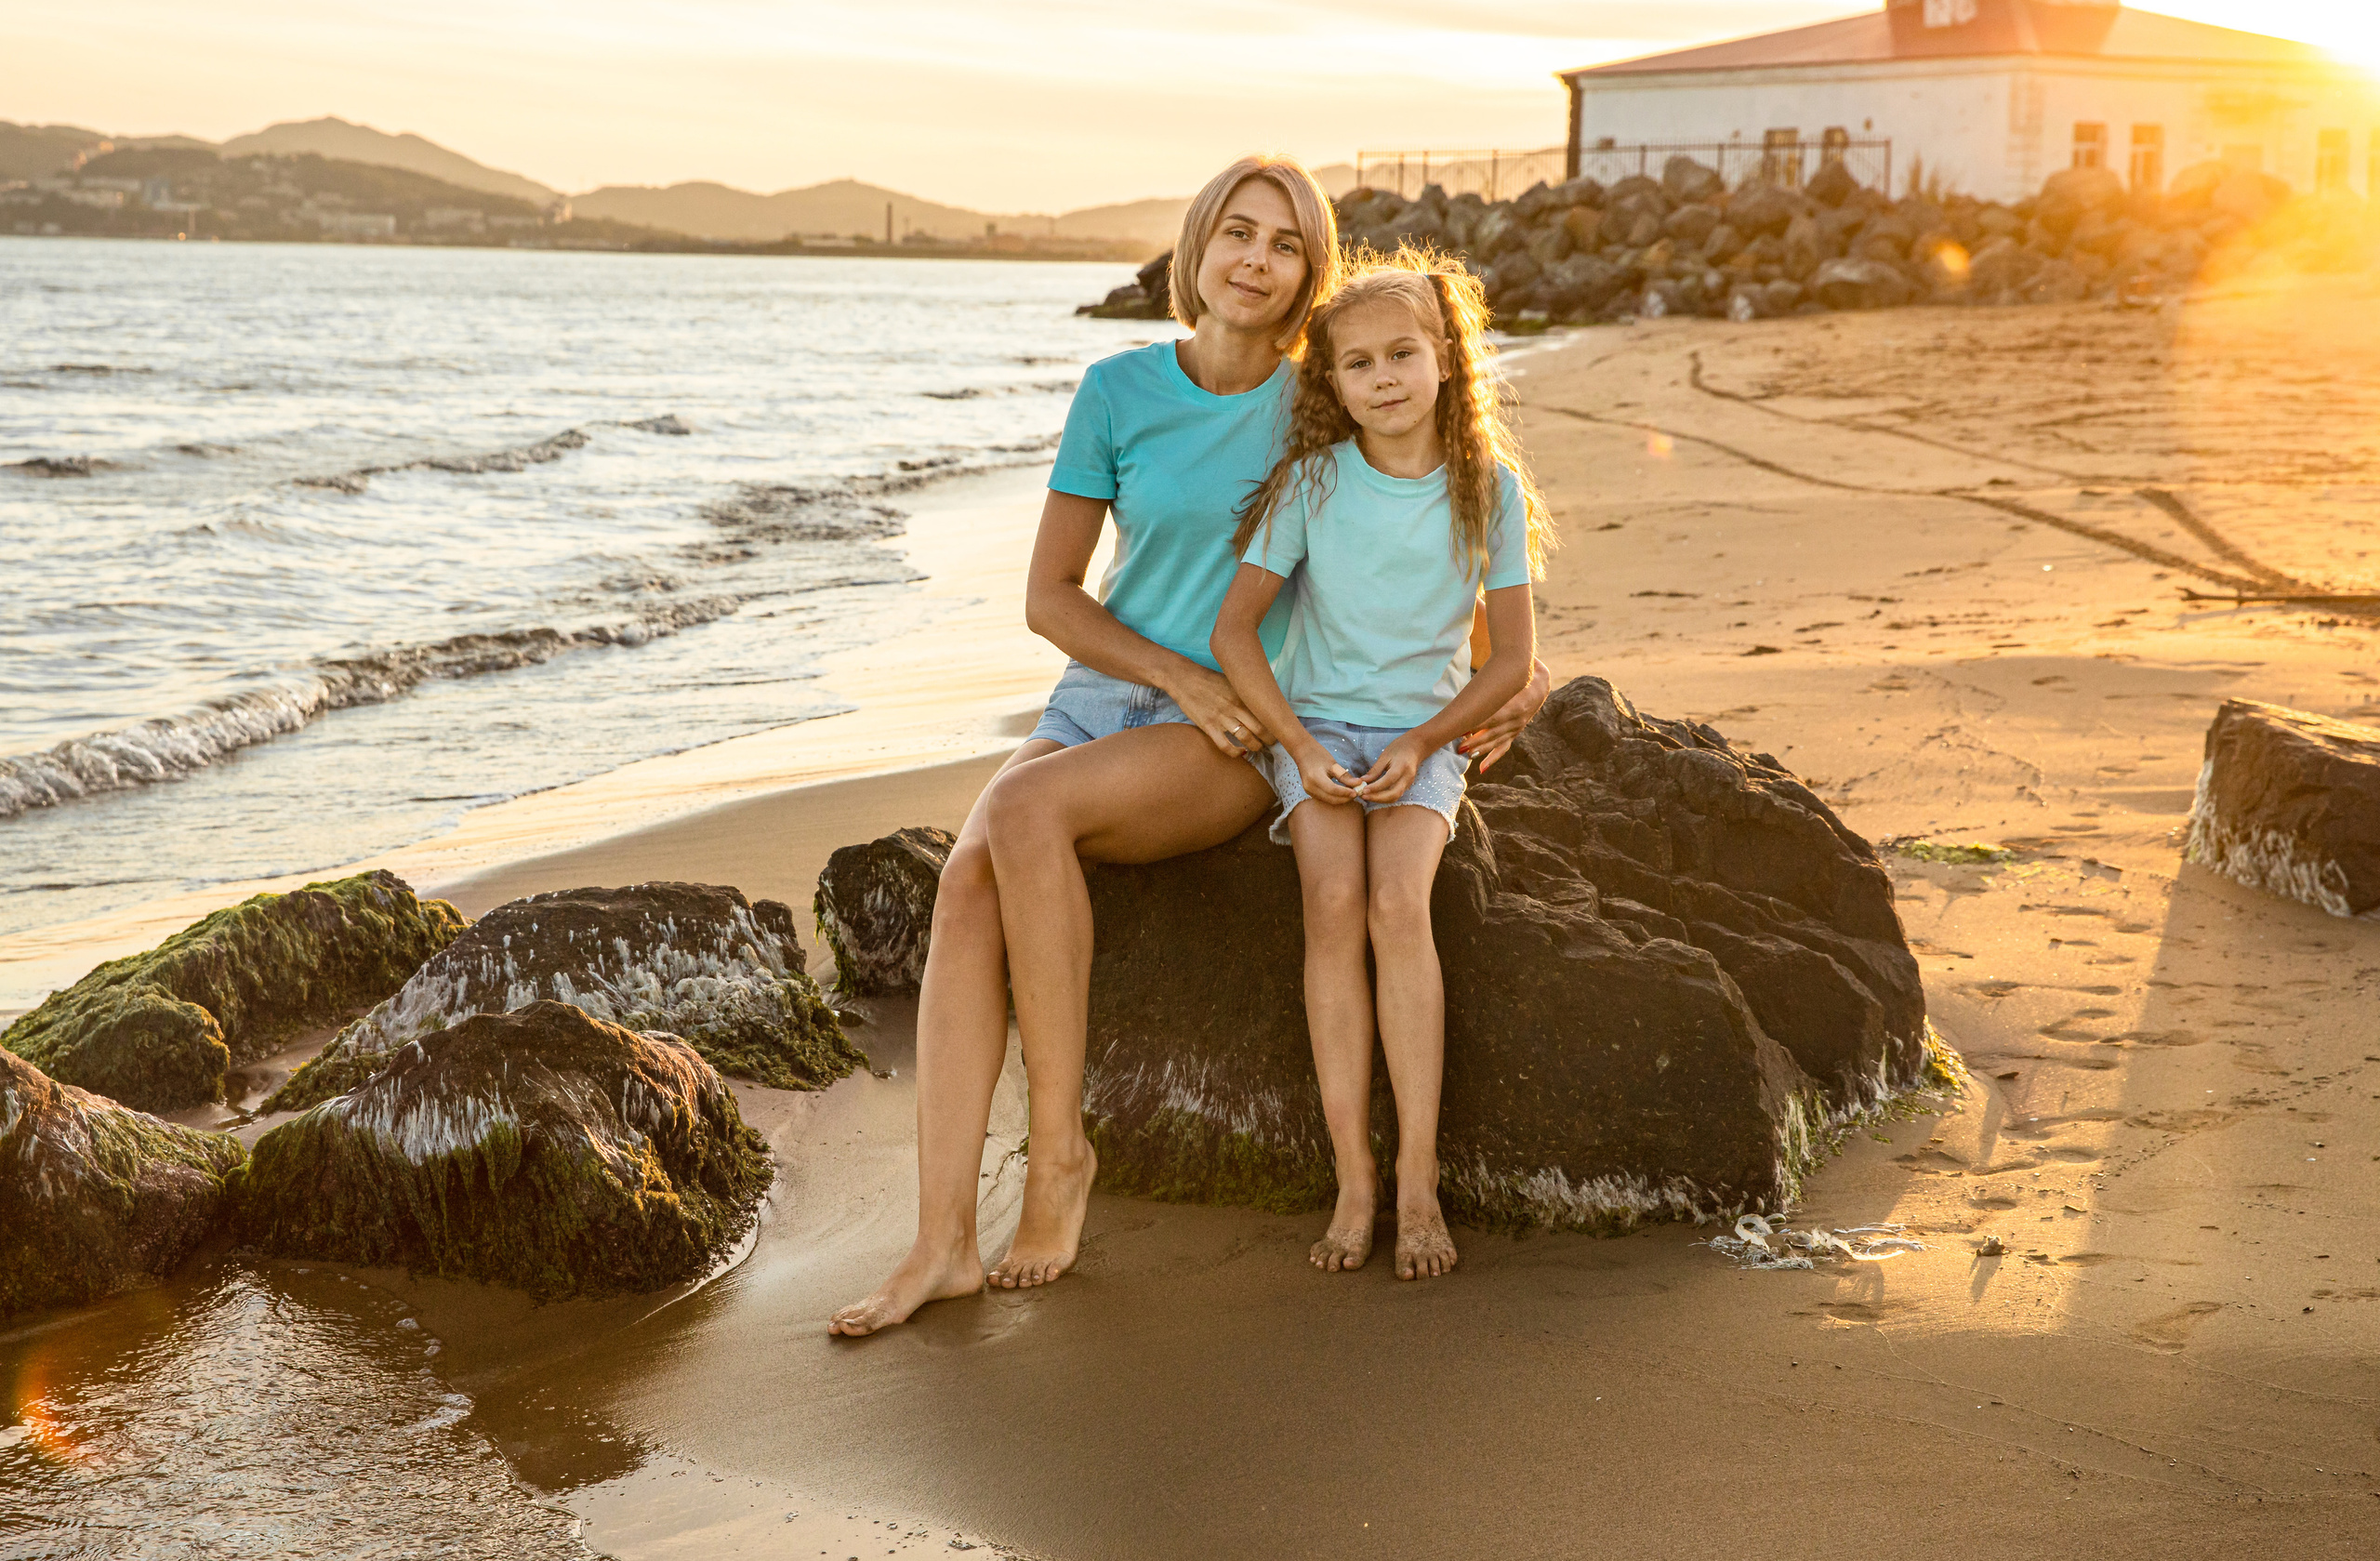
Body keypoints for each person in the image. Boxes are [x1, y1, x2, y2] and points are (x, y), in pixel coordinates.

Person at [829, 160, 1548, 1336]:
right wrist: (1169, 672)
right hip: (1110, 694)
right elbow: (1052, 597)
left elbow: (1423, 535)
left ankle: (1059, 1156)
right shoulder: (1117, 389)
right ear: (1195, 246)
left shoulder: (1323, 398)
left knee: (1016, 820)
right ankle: (941, 1242)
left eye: (1284, 244)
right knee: (964, 884)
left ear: (1310, 276)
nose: (1255, 259)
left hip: (1236, 725)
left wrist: (1510, 678)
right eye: (1236, 233)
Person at [1210, 252, 1551, 1281]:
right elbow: (1235, 635)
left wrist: (1425, 739)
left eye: (1403, 353)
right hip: (1315, 731)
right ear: (1333, 385)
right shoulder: (1313, 483)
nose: (1384, 378)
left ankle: (1416, 1176)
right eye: (1357, 364)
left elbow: (1516, 660)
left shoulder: (1487, 488)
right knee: (1332, 897)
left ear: (1447, 359)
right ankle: (1352, 1176)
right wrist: (1299, 748)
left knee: (1399, 904)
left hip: (1421, 737)